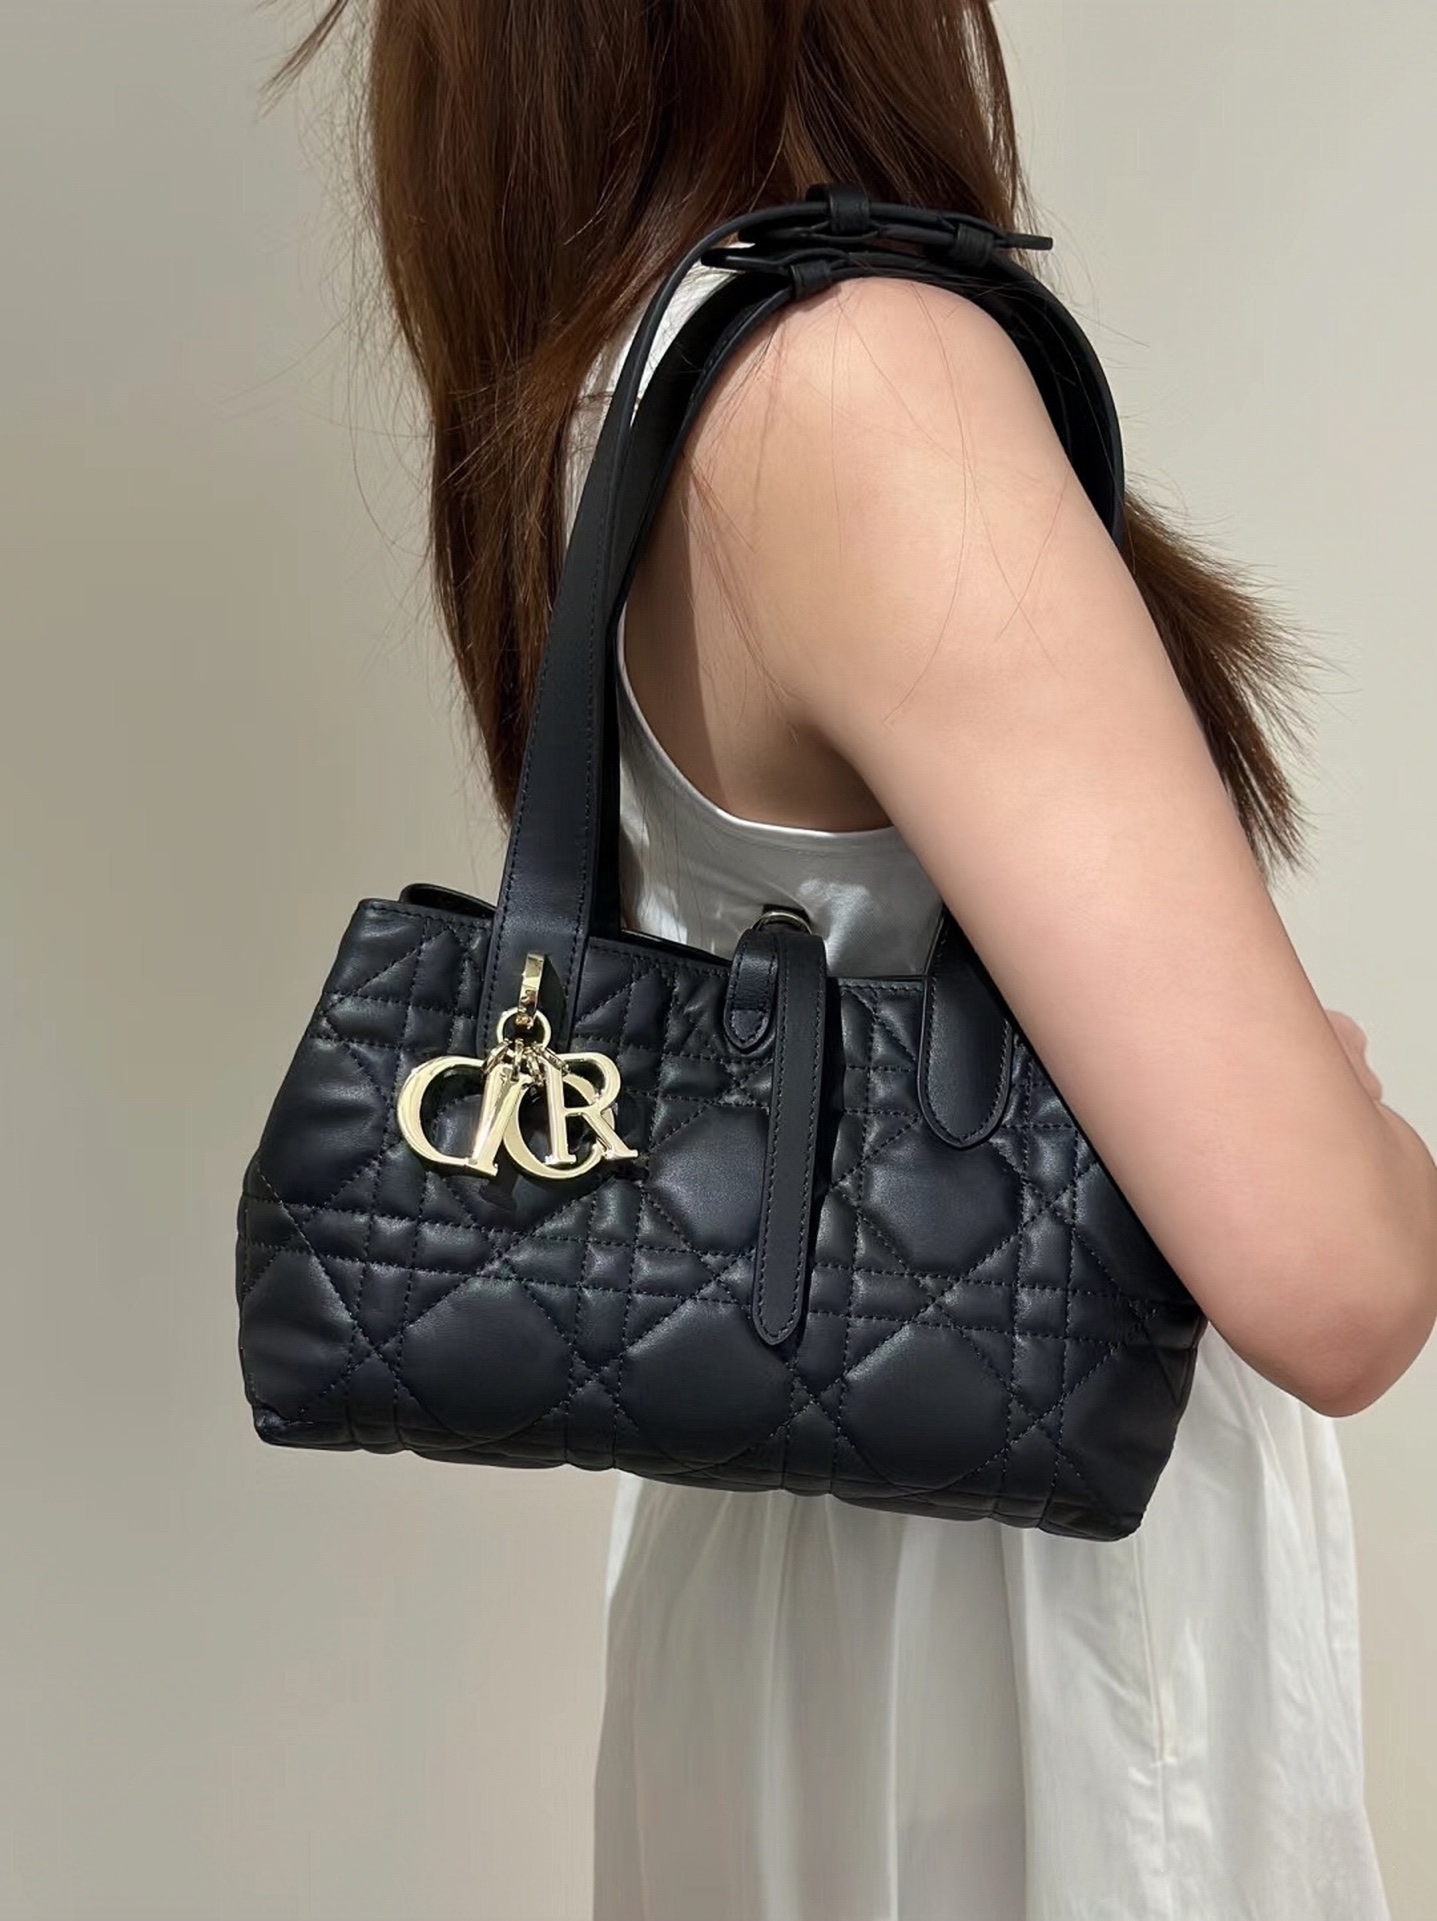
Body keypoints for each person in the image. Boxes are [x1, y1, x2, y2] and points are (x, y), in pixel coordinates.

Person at [270, 5, 1437, 1916]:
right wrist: (1353, 1123)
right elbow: (1336, 1279)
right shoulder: (858, 381)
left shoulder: (618, 391)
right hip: (1018, 1645)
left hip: (801, 1609)